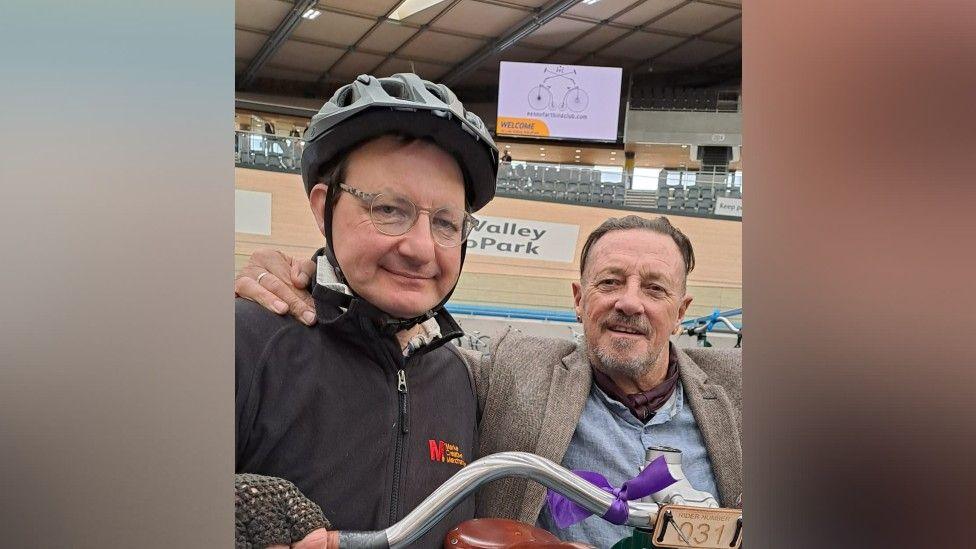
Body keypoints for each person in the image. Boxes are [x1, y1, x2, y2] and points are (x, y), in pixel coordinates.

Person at [238, 215, 742, 548]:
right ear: (578, 298)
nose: (629, 302)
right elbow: (403, 357)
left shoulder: (745, 390)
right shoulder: (512, 368)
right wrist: (311, 286)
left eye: (654, 288)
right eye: (609, 282)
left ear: (681, 312)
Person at [234, 72, 498, 548]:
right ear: (323, 207)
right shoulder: (244, 343)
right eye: (389, 209)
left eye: (445, 222)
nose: (421, 248)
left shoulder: (462, 382)